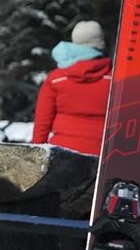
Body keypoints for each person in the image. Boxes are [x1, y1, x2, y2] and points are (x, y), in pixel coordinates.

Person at [32, 19, 112, 156]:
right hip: (103, 155)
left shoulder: (56, 78)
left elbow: (42, 122)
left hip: (61, 153)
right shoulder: (114, 79)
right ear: (101, 44)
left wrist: (35, 155)